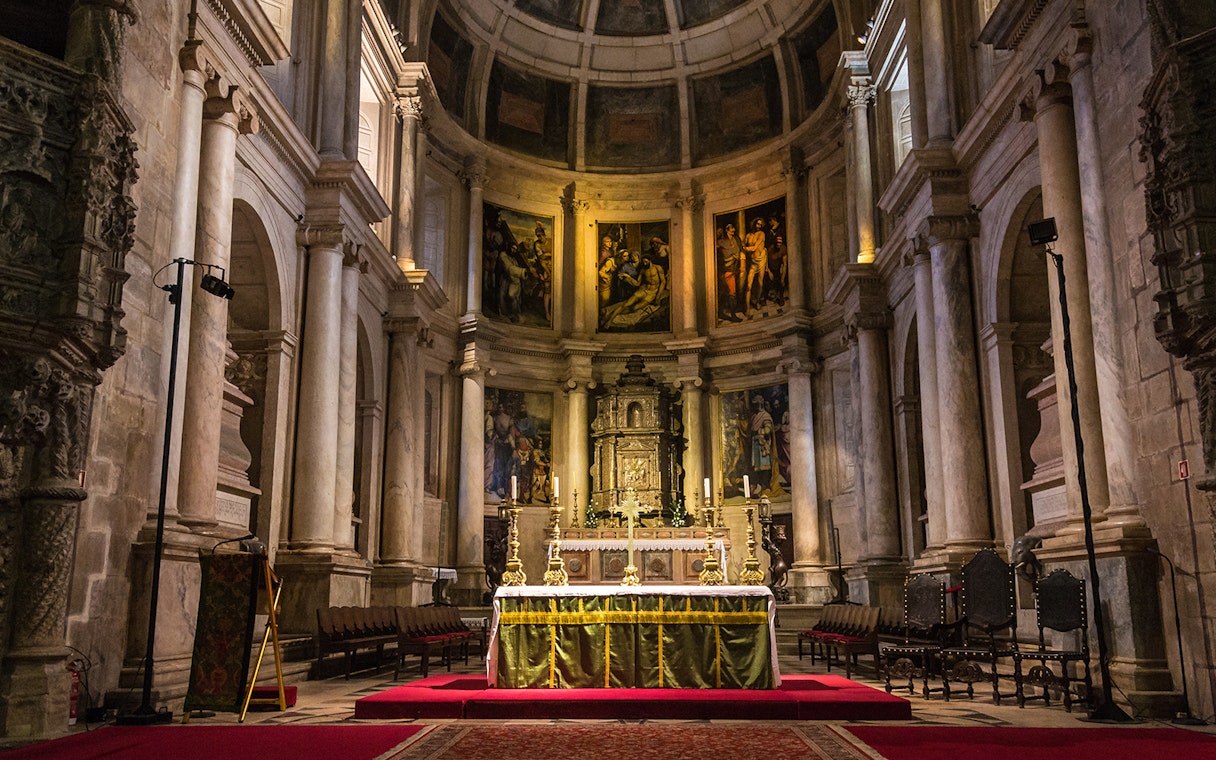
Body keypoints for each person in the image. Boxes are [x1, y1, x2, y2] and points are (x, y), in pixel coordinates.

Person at [717, 223, 744, 320]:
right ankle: (732, 315)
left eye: (733, 227)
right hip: (726, 270)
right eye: (731, 228)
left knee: (728, 292)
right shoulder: (721, 242)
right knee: (731, 292)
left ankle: (726, 313)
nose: (733, 229)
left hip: (735, 269)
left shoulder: (736, 239)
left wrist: (743, 264)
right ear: (726, 230)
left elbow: (741, 251)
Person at [743, 217, 768, 314]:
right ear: (753, 224)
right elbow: (744, 246)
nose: (759, 226)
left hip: (761, 260)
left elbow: (754, 248)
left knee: (760, 283)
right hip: (752, 262)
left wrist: (744, 248)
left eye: (760, 224)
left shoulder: (761, 234)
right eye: (757, 224)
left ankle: (757, 302)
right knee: (748, 286)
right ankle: (747, 308)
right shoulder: (748, 235)